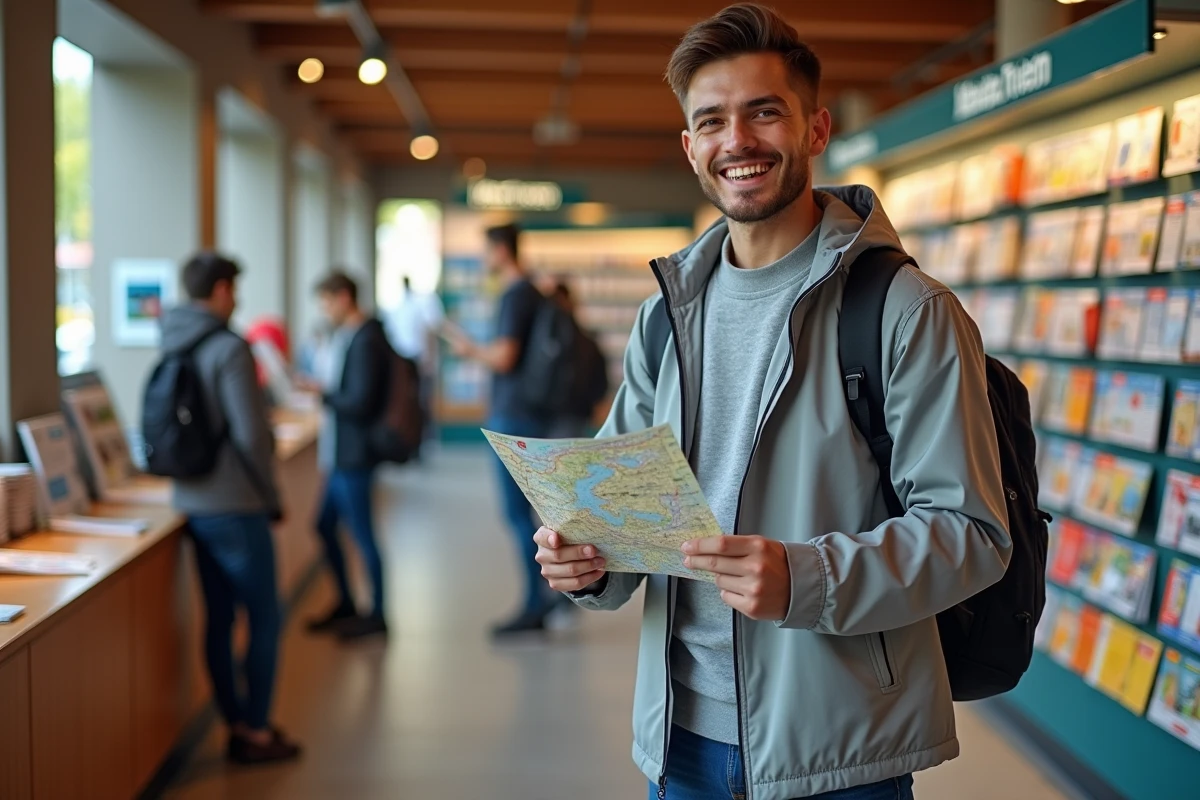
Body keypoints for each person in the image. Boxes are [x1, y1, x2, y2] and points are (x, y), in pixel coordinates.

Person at [533, 5, 1012, 800]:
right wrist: (585, 562)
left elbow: (972, 535)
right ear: (690, 148)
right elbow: (618, 505)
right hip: (680, 741)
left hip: (837, 750)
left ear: (815, 130)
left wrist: (808, 576)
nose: (738, 141)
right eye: (711, 120)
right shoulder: (668, 314)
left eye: (764, 112)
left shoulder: (905, 310)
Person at [160, 252, 301, 765]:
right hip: (237, 504)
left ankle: (234, 721)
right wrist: (272, 497)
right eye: (234, 288)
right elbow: (251, 436)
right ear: (221, 289)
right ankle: (256, 731)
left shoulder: (170, 338)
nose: (237, 298)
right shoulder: (229, 347)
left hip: (191, 502)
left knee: (218, 619)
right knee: (265, 615)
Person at [447, 224, 558, 637]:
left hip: (514, 416)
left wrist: (469, 349)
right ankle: (549, 596)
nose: (483, 259)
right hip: (528, 413)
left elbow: (505, 357)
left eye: (486, 251)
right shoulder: (532, 291)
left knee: (517, 514)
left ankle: (535, 604)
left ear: (500, 251)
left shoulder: (515, 295)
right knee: (536, 511)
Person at [305, 271, 391, 640]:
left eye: (326, 301)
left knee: (362, 534)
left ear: (343, 297)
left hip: (355, 456)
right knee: (323, 526)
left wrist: (320, 393)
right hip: (342, 454)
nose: (325, 310)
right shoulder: (350, 337)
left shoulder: (366, 338)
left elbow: (359, 400)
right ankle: (346, 601)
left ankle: (378, 614)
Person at [384, 275, 444, 442]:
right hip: (404, 361)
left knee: (423, 401)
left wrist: (429, 360)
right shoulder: (397, 307)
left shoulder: (422, 303)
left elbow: (430, 331)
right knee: (406, 401)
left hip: (420, 360)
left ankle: (423, 439)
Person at [546, 282, 608, 439]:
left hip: (555, 415)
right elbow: (600, 383)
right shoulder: (586, 340)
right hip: (574, 416)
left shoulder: (543, 339)